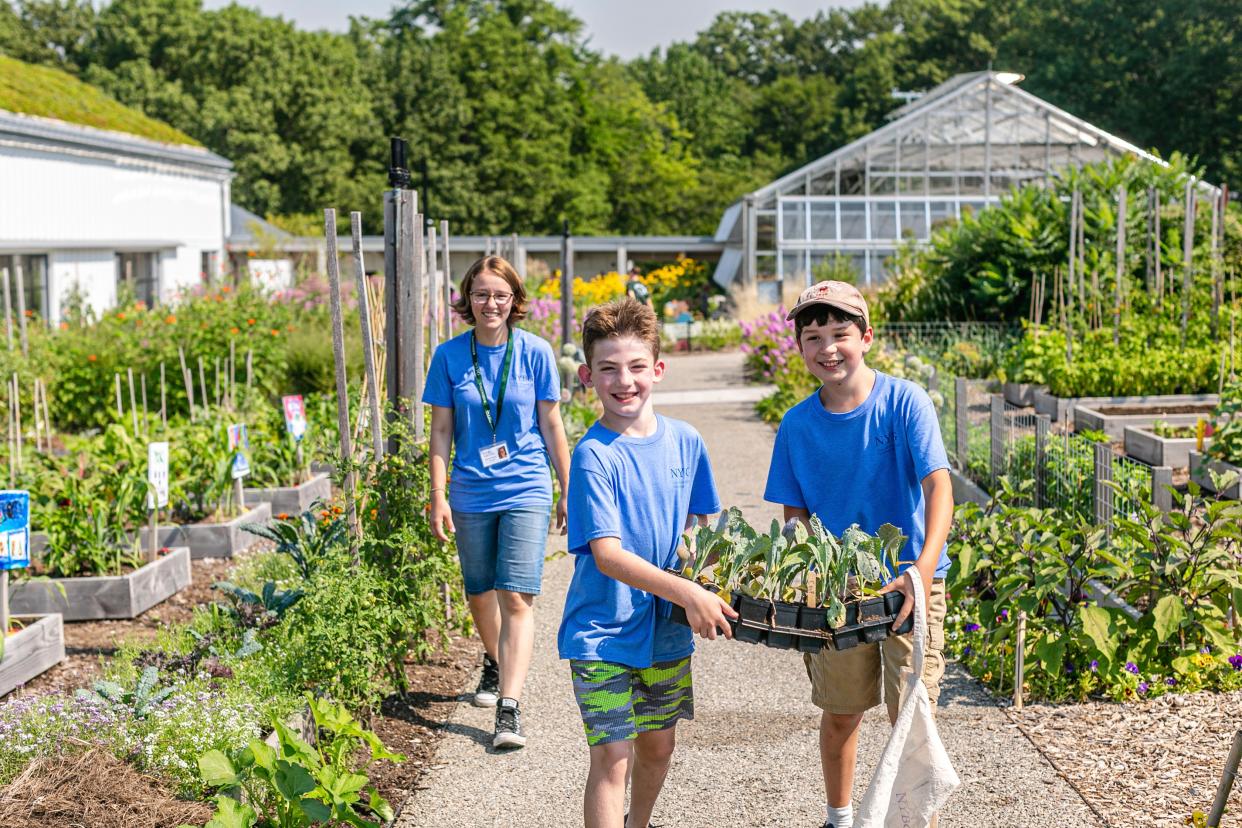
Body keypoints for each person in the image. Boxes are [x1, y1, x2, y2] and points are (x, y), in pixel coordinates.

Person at [762, 281, 954, 828]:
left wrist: (919, 572)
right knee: (841, 713)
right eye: (813, 336)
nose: (828, 347)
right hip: (839, 593)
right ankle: (839, 817)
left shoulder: (904, 402)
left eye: (840, 333)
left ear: (866, 337)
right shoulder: (798, 424)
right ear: (798, 348)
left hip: (907, 590)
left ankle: (914, 821)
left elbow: (939, 488)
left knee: (909, 719)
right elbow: (794, 516)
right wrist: (804, 577)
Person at [558, 298, 737, 828]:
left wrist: (707, 572)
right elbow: (608, 556)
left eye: (636, 367)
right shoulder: (594, 456)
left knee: (658, 748)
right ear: (588, 375)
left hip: (665, 634)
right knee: (613, 758)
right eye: (608, 369)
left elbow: (701, 523)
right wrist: (689, 593)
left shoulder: (686, 441)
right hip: (603, 632)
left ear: (657, 370)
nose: (624, 380)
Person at [425, 255, 572, 750]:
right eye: (482, 294)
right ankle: (494, 658)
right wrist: (438, 494)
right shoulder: (449, 356)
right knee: (479, 591)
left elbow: (551, 425)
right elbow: (442, 429)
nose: (491, 303)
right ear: (467, 299)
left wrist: (567, 489)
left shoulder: (535, 352)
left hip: (526, 483)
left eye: (500, 295)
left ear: (515, 301)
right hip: (469, 489)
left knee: (516, 596)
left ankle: (509, 708)